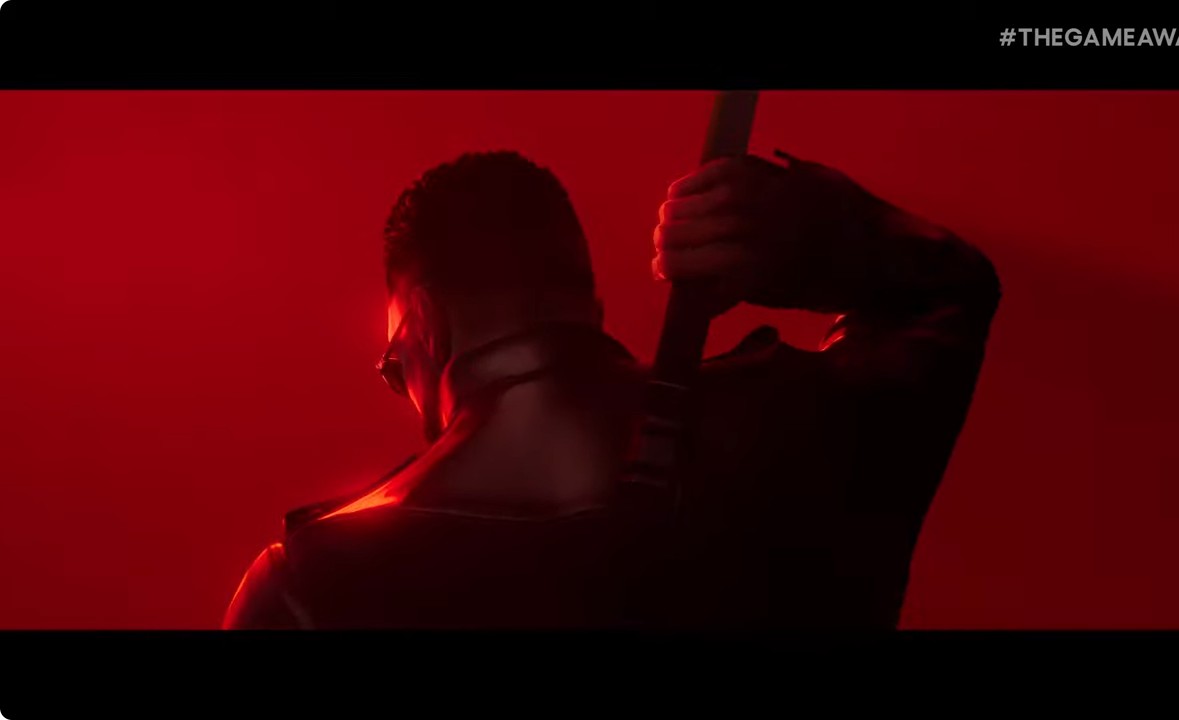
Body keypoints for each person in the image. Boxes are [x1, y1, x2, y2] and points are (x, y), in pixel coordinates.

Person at [222, 148, 1001, 629]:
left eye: (397, 369)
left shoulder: (311, 583)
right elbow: (949, 291)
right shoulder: (808, 426)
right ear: (590, 307)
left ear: (422, 324)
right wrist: (811, 236)